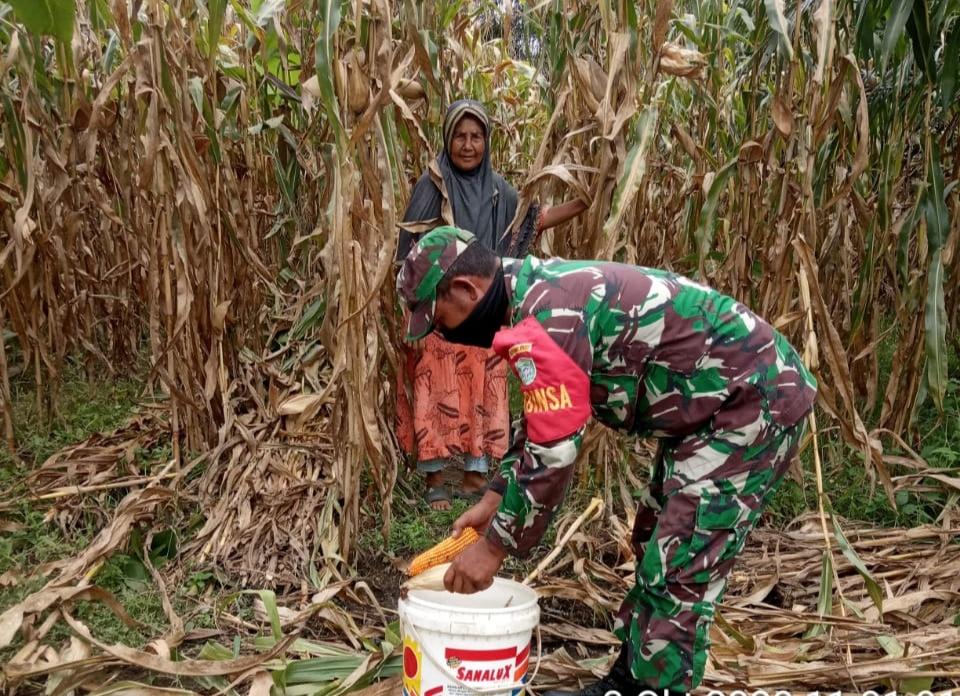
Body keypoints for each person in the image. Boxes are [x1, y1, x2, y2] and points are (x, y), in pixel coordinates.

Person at [395, 227, 817, 695]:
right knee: (654, 538)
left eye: (437, 317)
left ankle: (654, 689)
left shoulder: (547, 317)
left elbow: (555, 452)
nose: (441, 331)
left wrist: (493, 548)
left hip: (751, 401)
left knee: (679, 560)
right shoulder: (529, 299)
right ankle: (631, 679)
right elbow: (545, 421)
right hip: (709, 411)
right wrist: (496, 496)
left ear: (464, 289)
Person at [396, 99, 586, 510]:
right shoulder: (432, 186)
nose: (468, 145)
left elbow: (530, 221)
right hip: (442, 311)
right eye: (460, 136)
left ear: (487, 141)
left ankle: (476, 468)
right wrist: (410, 313)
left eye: (476, 136)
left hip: (485, 307)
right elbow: (408, 251)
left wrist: (584, 202)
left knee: (486, 385)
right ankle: (434, 475)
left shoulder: (502, 192)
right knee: (437, 384)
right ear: (447, 140)